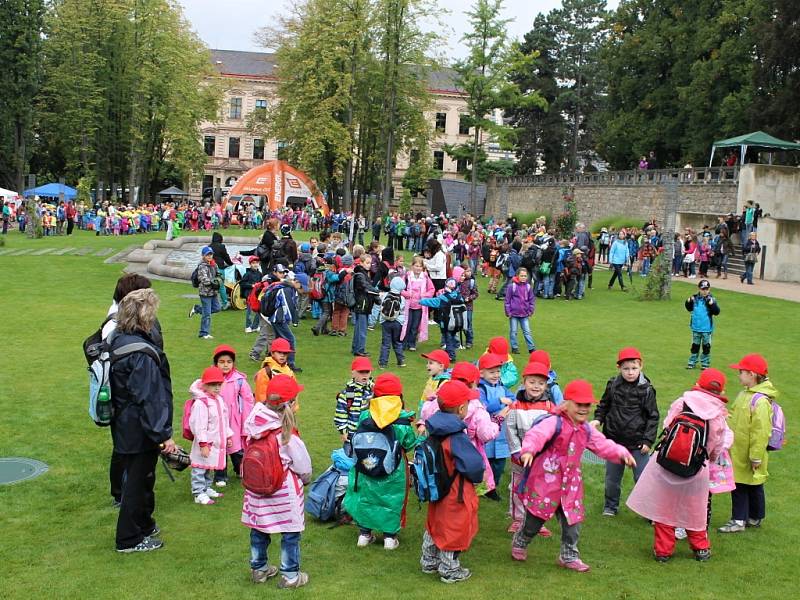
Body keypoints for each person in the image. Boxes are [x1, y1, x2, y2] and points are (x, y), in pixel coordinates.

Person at [512, 380, 636, 570]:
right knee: (534, 521)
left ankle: (569, 555)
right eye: (579, 404)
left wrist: (622, 453)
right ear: (566, 403)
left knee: (573, 521)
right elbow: (536, 435)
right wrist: (528, 450)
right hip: (546, 483)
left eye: (587, 405)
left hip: (570, 485)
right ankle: (521, 540)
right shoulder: (554, 422)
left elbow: (602, 445)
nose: (584, 409)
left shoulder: (586, 429)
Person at [626, 369, 731, 562]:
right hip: (696, 468)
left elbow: (667, 426)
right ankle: (701, 548)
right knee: (694, 508)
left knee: (664, 508)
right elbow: (716, 443)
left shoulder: (683, 402)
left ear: (698, 384)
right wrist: (710, 459)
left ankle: (663, 551)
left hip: (667, 463)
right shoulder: (717, 414)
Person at [109, 289, 175, 553]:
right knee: (136, 483)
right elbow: (149, 397)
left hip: (126, 423)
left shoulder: (120, 339)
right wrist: (162, 435)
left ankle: (145, 525)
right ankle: (128, 539)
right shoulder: (140, 353)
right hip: (137, 428)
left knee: (142, 478)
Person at [243, 375, 311, 588]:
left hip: (256, 492)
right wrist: (305, 479)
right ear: (290, 404)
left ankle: (259, 569)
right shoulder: (286, 434)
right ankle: (290, 576)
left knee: (259, 529)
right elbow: (303, 466)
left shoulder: (253, 425)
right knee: (290, 533)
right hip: (283, 492)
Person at [420, 380, 485, 584]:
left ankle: (428, 560)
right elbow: (473, 465)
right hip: (455, 491)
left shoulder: (435, 428)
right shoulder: (456, 435)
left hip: (436, 487)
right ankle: (449, 569)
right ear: (461, 408)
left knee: (435, 524)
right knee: (454, 528)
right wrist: (477, 478)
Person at [343, 373, 417, 550]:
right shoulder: (402, 419)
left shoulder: (365, 416)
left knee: (366, 497)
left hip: (366, 467)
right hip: (394, 470)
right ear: (398, 396)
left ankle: (364, 534)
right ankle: (389, 538)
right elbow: (408, 443)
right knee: (392, 500)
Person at [590, 347, 659, 517]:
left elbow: (653, 416)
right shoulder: (613, 384)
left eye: (634, 368)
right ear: (619, 368)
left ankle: (649, 512)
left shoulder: (647, 389)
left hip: (638, 444)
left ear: (641, 366)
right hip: (614, 442)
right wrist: (598, 419)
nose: (630, 372)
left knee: (642, 479)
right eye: (626, 368)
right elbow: (603, 406)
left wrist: (648, 440)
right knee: (612, 479)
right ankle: (610, 506)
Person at [719, 354, 779, 533]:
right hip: (739, 450)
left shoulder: (759, 400)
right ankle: (755, 517)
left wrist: (755, 456)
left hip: (747, 453)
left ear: (752, 375)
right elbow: (735, 415)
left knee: (740, 486)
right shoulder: (745, 394)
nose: (738, 375)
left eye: (741, 372)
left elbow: (760, 432)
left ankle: (739, 520)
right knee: (752, 484)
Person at [506, 361, 556, 534]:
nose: (536, 386)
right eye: (532, 382)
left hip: (541, 458)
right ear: (524, 381)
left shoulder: (550, 407)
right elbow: (510, 429)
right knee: (517, 487)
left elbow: (554, 431)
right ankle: (518, 519)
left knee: (540, 489)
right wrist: (516, 451)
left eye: (541, 383)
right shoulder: (516, 406)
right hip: (519, 456)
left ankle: (536, 522)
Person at [211, 345, 255, 488]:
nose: (225, 365)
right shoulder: (211, 379)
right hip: (217, 420)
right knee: (220, 448)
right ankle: (220, 475)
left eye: (229, 362)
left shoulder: (239, 380)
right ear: (216, 363)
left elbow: (248, 400)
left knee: (236, 449)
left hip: (234, 421)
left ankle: (240, 469)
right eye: (222, 362)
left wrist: (247, 420)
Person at [188, 366, 232, 505]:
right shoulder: (202, 403)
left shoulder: (218, 400)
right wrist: (202, 443)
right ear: (205, 385)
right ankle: (198, 492)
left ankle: (206, 488)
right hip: (205, 442)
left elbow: (224, 420)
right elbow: (198, 425)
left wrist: (228, 436)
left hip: (215, 440)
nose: (217, 388)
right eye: (213, 385)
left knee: (209, 465)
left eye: (219, 384)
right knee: (200, 467)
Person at [477, 352, 513, 501]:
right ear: (481, 373)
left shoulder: (501, 386)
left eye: (498, 371)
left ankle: (493, 487)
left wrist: (508, 400)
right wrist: (500, 401)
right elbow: (483, 406)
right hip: (487, 432)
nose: (496, 375)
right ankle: (483, 487)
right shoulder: (480, 389)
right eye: (491, 372)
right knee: (485, 461)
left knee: (499, 462)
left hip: (501, 432)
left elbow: (512, 398)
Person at [419, 278, 465, 362]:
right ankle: (448, 352)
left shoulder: (444, 297)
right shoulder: (459, 296)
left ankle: (451, 355)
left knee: (448, 338)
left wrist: (421, 301)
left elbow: (433, 302)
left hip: (447, 322)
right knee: (452, 336)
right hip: (457, 321)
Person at [333, 357, 374, 443]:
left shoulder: (375, 390)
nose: (365, 375)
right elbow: (341, 414)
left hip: (372, 433)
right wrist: (343, 431)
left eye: (367, 371)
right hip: (353, 435)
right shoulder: (347, 393)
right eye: (361, 372)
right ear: (353, 373)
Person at [401, 255, 435, 351]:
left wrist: (424, 295)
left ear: (422, 268)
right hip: (408, 306)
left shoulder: (425, 277)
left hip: (420, 306)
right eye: (416, 266)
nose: (418, 268)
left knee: (415, 326)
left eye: (420, 266)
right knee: (406, 324)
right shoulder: (407, 276)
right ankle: (404, 342)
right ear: (412, 266)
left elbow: (432, 289)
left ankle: (412, 343)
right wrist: (407, 294)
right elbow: (400, 288)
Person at [685, 279, 720, 369]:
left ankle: (705, 363)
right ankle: (692, 362)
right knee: (695, 346)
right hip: (696, 327)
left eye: (706, 289)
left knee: (706, 346)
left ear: (709, 289)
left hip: (706, 329)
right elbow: (689, 308)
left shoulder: (711, 299)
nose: (705, 291)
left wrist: (712, 305)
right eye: (703, 289)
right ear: (699, 289)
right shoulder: (694, 298)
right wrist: (688, 302)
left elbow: (716, 312)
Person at [188, 246, 221, 339]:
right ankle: (204, 333)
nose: (210, 256)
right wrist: (214, 282)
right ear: (203, 256)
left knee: (217, 308)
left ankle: (197, 309)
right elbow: (204, 279)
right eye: (207, 255)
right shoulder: (202, 266)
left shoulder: (214, 265)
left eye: (211, 254)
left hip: (213, 292)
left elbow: (219, 275)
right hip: (205, 293)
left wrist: (219, 279)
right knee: (207, 315)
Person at [352, 253, 380, 357]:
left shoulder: (362, 273)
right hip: (362, 303)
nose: (369, 265)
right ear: (361, 263)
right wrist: (376, 291)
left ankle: (356, 347)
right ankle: (360, 349)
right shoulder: (360, 274)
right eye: (367, 263)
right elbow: (365, 287)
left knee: (359, 328)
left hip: (363, 303)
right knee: (362, 328)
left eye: (370, 263)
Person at [504, 267, 536, 354]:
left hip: (525, 314)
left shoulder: (528, 287)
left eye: (525, 276)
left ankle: (531, 348)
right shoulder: (512, 287)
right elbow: (507, 300)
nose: (523, 277)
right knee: (513, 331)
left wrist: (530, 311)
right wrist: (508, 312)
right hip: (513, 314)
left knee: (527, 331)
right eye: (521, 276)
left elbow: (532, 300)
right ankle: (514, 347)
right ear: (517, 276)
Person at [417, 349, 452, 426]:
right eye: (427, 363)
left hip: (433, 418)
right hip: (425, 413)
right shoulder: (432, 378)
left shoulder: (444, 382)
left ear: (441, 366)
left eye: (431, 363)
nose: (427, 365)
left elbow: (438, 404)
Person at [378, 277, 407, 369]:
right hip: (397, 322)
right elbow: (402, 311)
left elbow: (381, 306)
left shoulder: (385, 295)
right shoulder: (402, 298)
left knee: (385, 343)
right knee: (397, 342)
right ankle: (401, 361)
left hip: (385, 322)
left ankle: (383, 363)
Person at [241, 256, 263, 333]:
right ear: (250, 264)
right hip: (249, 295)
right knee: (249, 311)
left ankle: (255, 326)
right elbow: (242, 284)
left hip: (257, 295)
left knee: (258, 311)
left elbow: (261, 283)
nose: (255, 264)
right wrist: (251, 285)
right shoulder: (247, 274)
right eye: (253, 263)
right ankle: (248, 326)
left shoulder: (260, 274)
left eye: (257, 263)